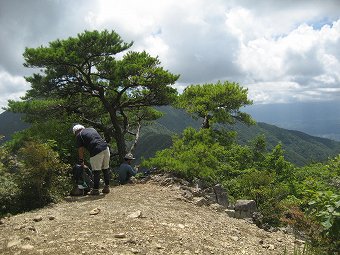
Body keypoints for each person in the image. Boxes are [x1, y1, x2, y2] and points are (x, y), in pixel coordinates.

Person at [73, 124, 111, 195]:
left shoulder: (79, 135)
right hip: (106, 148)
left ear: (76, 131)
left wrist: (81, 160)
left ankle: (95, 190)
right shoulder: (92, 129)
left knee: (96, 171)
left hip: (96, 151)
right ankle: (107, 187)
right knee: (105, 169)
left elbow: (80, 149)